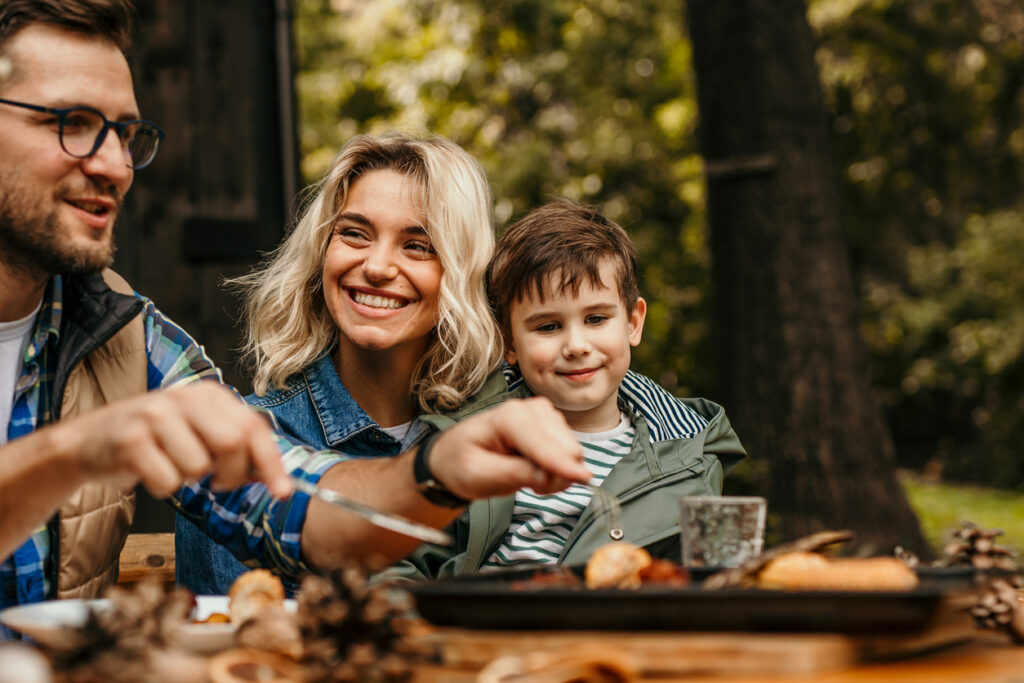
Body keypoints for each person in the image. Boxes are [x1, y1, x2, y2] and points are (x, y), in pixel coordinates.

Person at [0, 0, 590, 634]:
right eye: (73, 122)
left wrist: (436, 471)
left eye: (124, 133)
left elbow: (295, 507)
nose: (115, 164)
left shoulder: (124, 336)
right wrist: (73, 452)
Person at [176, 131, 505, 594]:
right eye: (354, 234)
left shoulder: (495, 428)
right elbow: (238, 651)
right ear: (320, 251)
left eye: (417, 245)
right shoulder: (244, 447)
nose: (376, 266)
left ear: (461, 269)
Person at [395, 198, 747, 578]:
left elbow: (717, 583)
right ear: (509, 343)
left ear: (632, 322)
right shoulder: (474, 438)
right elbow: (402, 561)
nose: (576, 345)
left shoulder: (692, 452)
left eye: (596, 319)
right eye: (548, 327)